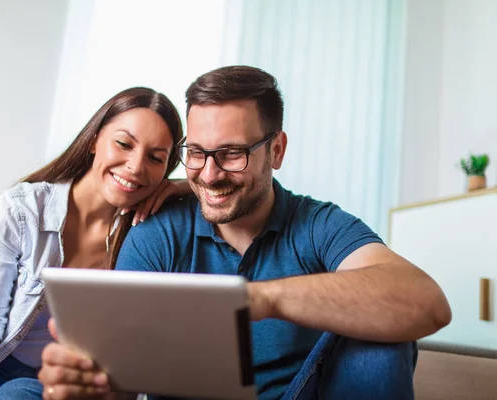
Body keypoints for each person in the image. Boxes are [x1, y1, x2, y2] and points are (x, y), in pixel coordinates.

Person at [36, 66, 452, 400]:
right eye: (197, 154)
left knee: (382, 342)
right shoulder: (156, 233)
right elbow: (121, 379)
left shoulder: (317, 224)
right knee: (22, 391)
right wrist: (88, 386)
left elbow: (426, 303)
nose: (211, 175)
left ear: (276, 150)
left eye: (232, 153)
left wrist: (256, 298)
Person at [0, 87, 190, 400]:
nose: (136, 166)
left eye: (156, 158)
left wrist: (185, 188)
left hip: (66, 389)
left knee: (16, 394)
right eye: (124, 144)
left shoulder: (152, 233)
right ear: (94, 140)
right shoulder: (21, 211)